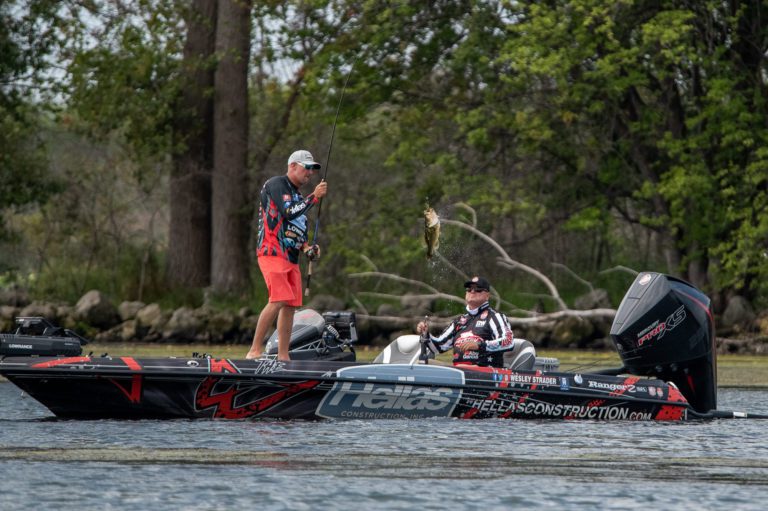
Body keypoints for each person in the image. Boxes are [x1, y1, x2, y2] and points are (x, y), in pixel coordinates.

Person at [246, 149, 328, 361]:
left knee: (290, 306)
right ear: (292, 166)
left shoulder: (299, 196)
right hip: (272, 252)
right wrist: (314, 198)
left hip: (291, 259)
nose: (310, 173)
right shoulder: (276, 184)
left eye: (312, 169)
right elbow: (288, 212)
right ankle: (254, 351)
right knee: (278, 299)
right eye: (306, 168)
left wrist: (307, 249)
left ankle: (284, 356)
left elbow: (297, 232)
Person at [416, 276, 536, 369]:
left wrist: (480, 345)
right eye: (469, 289)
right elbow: (438, 347)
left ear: (487, 295)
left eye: (478, 289)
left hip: (485, 374)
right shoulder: (459, 321)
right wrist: (426, 334)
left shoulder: (495, 317)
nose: (472, 291)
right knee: (422, 364)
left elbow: (508, 342)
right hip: (458, 372)